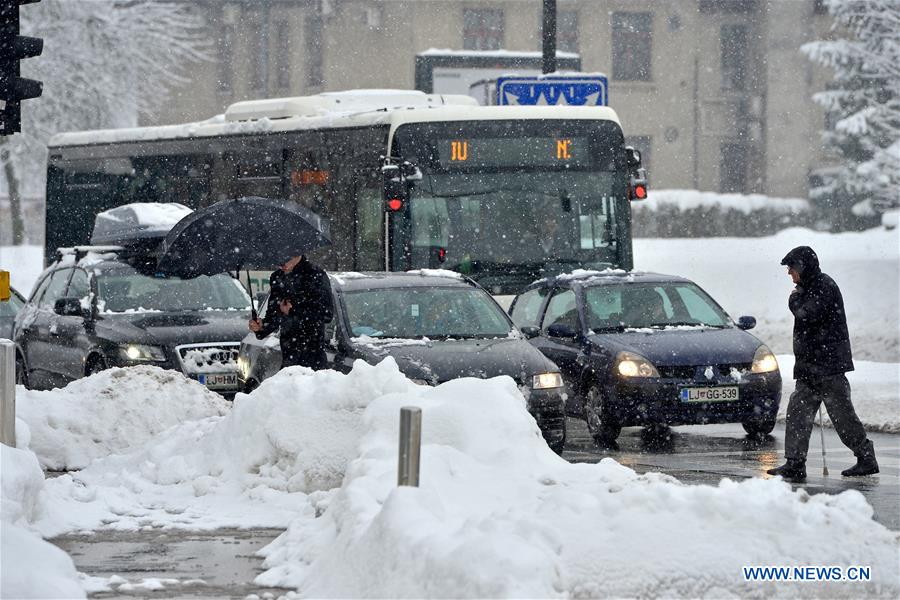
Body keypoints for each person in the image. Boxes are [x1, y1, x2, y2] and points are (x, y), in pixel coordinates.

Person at [767, 246, 878, 482]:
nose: (789, 273)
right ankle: (795, 463)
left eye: (791, 267)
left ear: (803, 267)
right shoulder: (809, 287)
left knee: (842, 416)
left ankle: (866, 457)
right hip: (810, 369)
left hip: (828, 368)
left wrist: (795, 300)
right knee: (797, 413)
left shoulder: (823, 286)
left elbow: (808, 314)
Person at [248, 254, 333, 370]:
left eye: (285, 259)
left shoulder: (315, 275)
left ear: (297, 254)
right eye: (278, 261)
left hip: (313, 357)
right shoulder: (278, 277)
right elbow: (274, 315)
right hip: (288, 356)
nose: (282, 265)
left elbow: (327, 314)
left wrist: (294, 310)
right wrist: (261, 327)